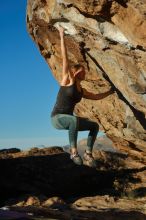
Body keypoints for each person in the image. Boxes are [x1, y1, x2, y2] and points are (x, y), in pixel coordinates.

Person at [51, 26, 114, 167]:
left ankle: (88, 154)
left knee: (94, 126)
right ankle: (73, 153)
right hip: (57, 119)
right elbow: (65, 58)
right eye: (83, 70)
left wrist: (111, 92)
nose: (85, 72)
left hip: (70, 120)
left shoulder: (82, 91)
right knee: (73, 120)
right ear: (76, 72)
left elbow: (96, 97)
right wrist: (61, 35)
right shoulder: (67, 81)